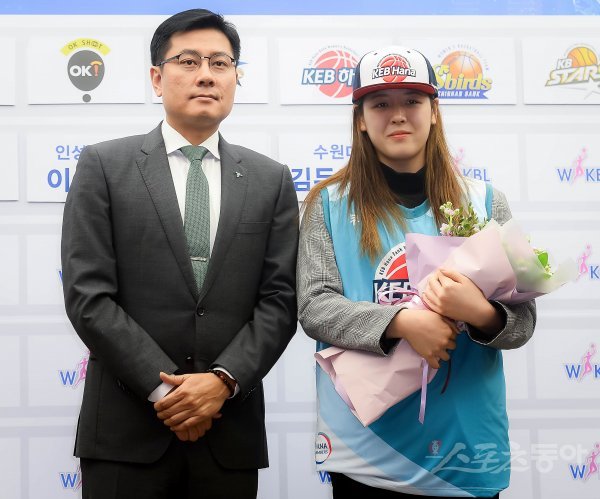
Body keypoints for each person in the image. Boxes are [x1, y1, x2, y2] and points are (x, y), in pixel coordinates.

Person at [61, 9, 298, 499]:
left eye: (220, 63)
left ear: (236, 78)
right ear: (157, 77)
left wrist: (222, 382)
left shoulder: (270, 179)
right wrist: (169, 391)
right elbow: (88, 296)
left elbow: (280, 301)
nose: (206, 75)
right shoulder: (104, 166)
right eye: (188, 61)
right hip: (126, 434)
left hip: (227, 433)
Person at [298, 46, 536, 498]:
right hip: (368, 451)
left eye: (412, 100)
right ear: (360, 119)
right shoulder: (327, 204)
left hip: (465, 449)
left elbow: (523, 324)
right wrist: (403, 322)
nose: (398, 115)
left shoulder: (486, 201)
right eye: (380, 104)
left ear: (434, 111)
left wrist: (481, 313)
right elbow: (315, 307)